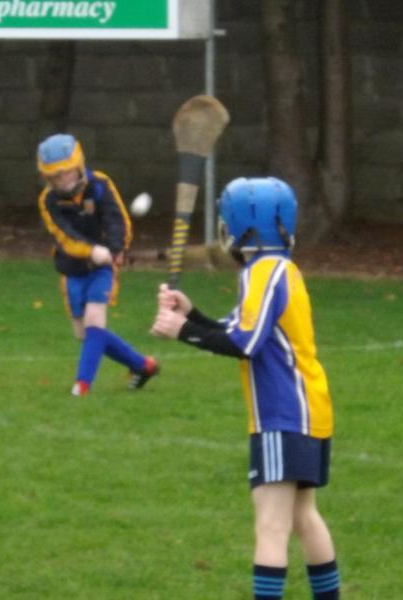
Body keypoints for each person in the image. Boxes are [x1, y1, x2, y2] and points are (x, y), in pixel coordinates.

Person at [151, 177, 341, 599]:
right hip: (308, 410)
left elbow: (245, 344)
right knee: (303, 517)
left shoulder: (261, 273)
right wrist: (194, 315)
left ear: (239, 227)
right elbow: (242, 330)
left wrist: (182, 331)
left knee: (271, 526)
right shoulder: (279, 270)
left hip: (282, 414)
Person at [36, 133, 159, 396]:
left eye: (66, 173)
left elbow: (118, 219)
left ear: (79, 165)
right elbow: (65, 236)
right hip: (72, 270)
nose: (62, 181)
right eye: (55, 177)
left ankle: (82, 385)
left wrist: (117, 249)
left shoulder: (100, 185)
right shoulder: (48, 201)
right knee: (86, 334)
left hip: (102, 270)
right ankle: (143, 365)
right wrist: (92, 251)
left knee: (95, 321)